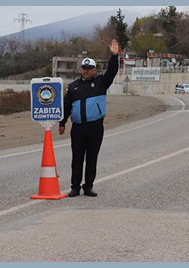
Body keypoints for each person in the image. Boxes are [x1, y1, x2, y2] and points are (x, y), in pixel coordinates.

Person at [59, 39, 119, 197]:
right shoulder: (73, 87)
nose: (85, 71)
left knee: (92, 158)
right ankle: (75, 187)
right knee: (77, 159)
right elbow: (66, 106)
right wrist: (62, 123)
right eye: (83, 68)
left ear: (94, 70)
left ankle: (88, 186)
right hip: (78, 128)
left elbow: (112, 72)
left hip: (95, 128)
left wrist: (114, 56)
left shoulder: (101, 83)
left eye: (89, 68)